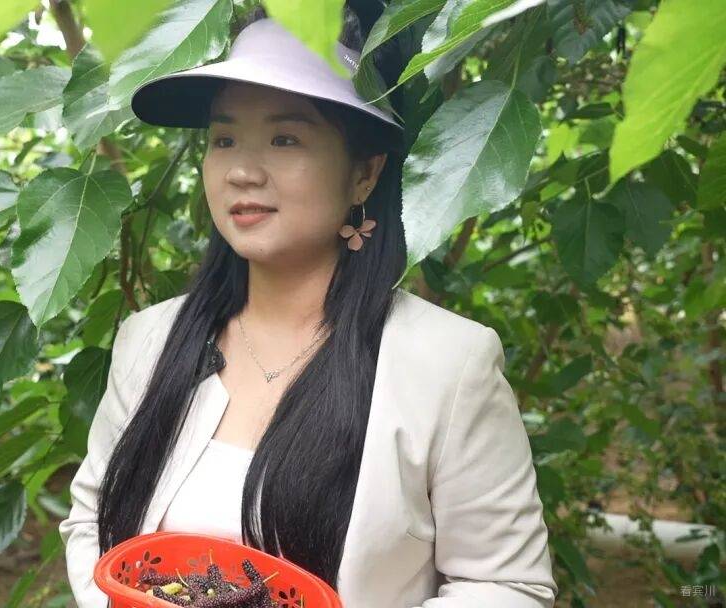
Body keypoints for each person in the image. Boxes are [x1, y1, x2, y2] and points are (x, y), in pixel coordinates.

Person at [60, 3, 557, 607]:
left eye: (285, 138)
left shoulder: (449, 365)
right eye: (224, 139)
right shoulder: (150, 339)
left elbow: (506, 585)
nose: (242, 170)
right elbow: (90, 518)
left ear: (364, 173)